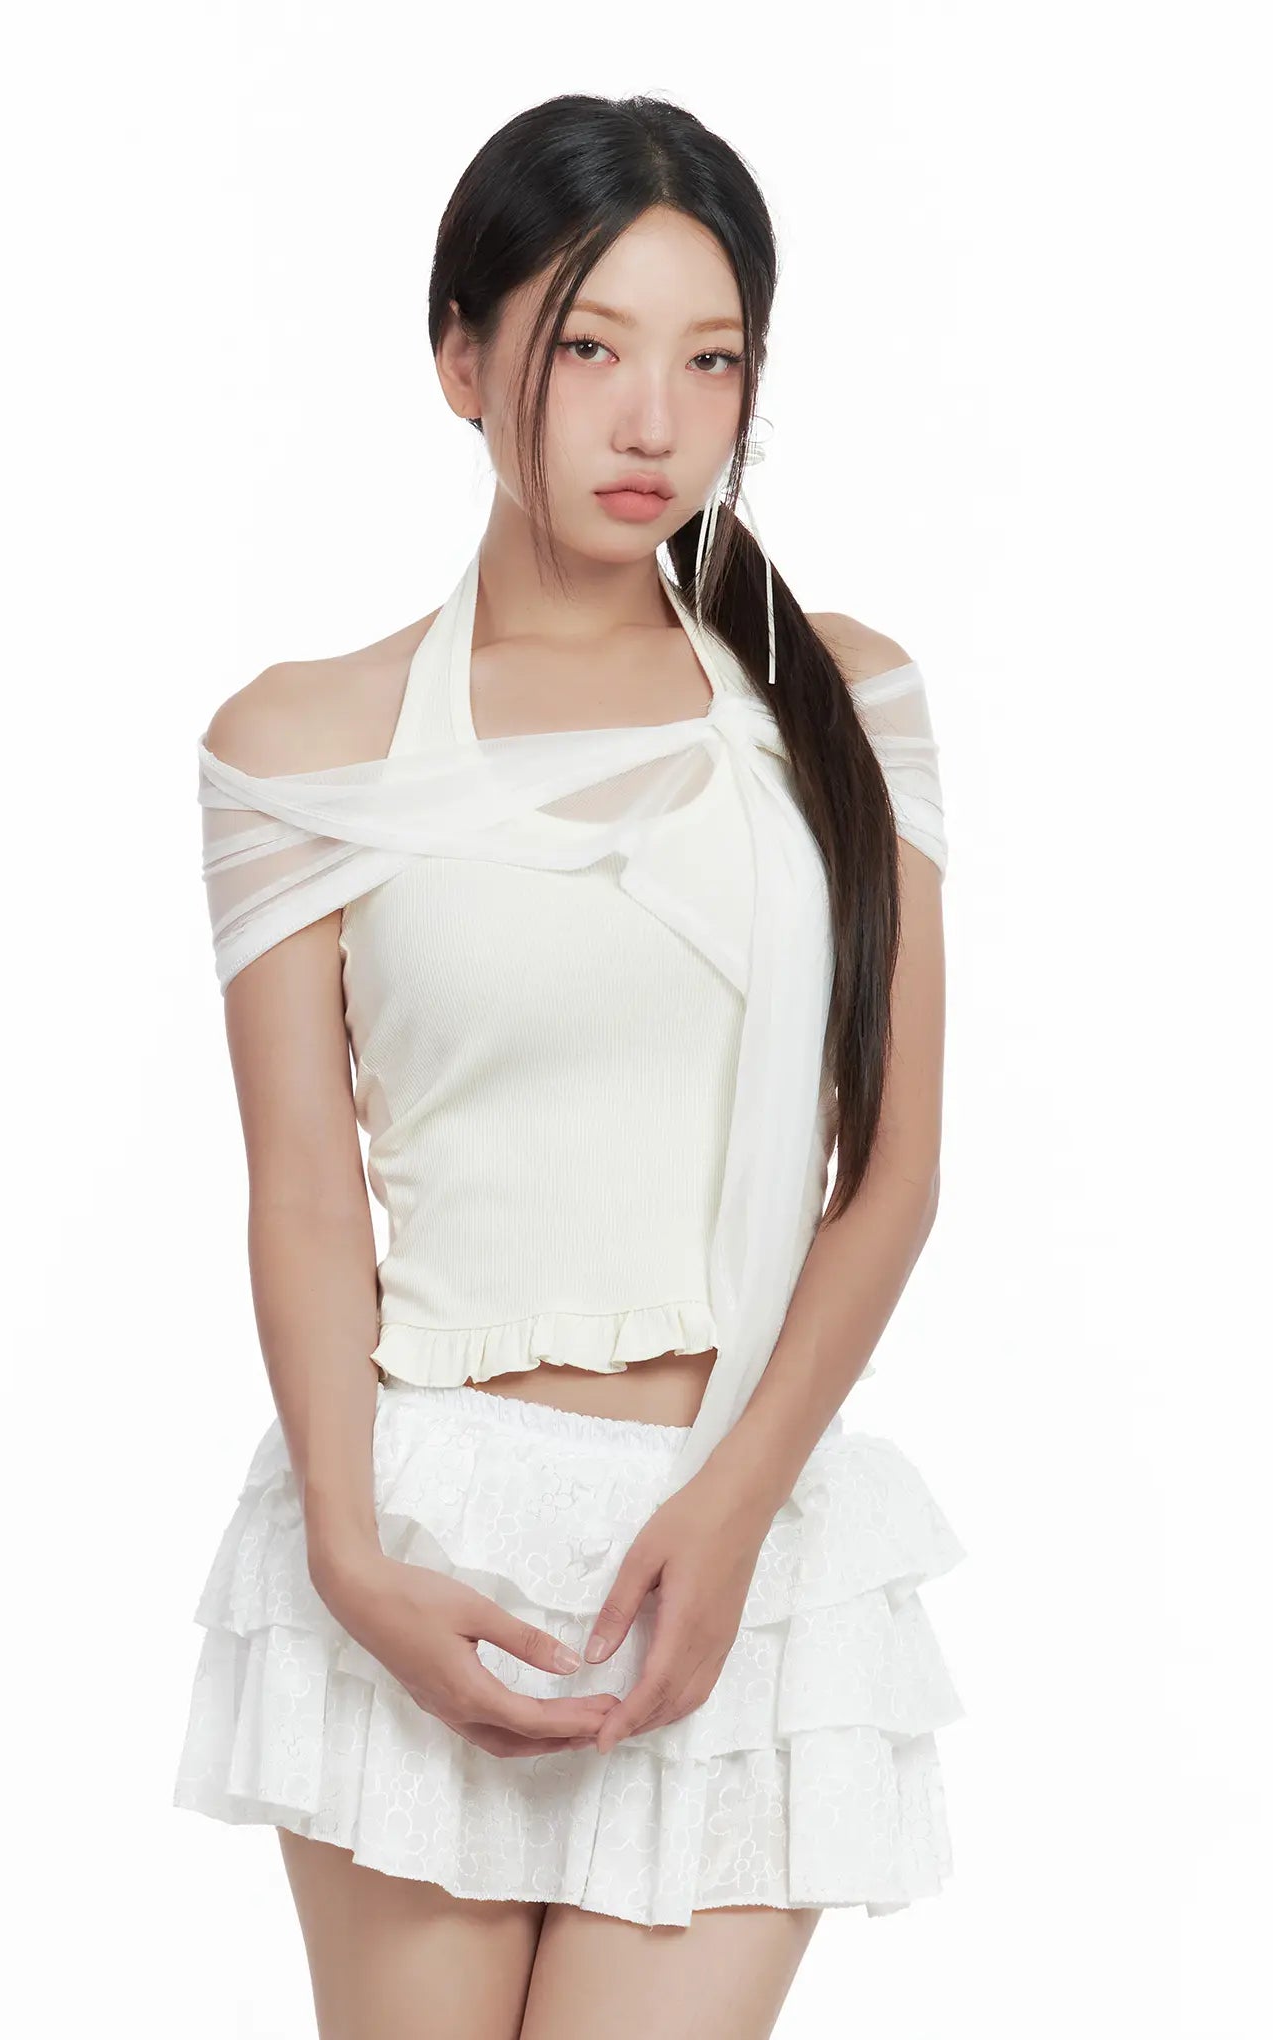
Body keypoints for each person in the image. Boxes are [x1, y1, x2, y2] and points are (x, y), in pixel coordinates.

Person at [174, 91, 966, 2040]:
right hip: (427, 1526)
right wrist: (351, 1557)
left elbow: (892, 1171)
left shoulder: (840, 701)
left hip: (736, 1531)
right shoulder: (303, 746)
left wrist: (734, 1509)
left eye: (713, 362)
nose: (653, 422)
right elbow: (306, 1195)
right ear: (461, 358)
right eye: (590, 349)